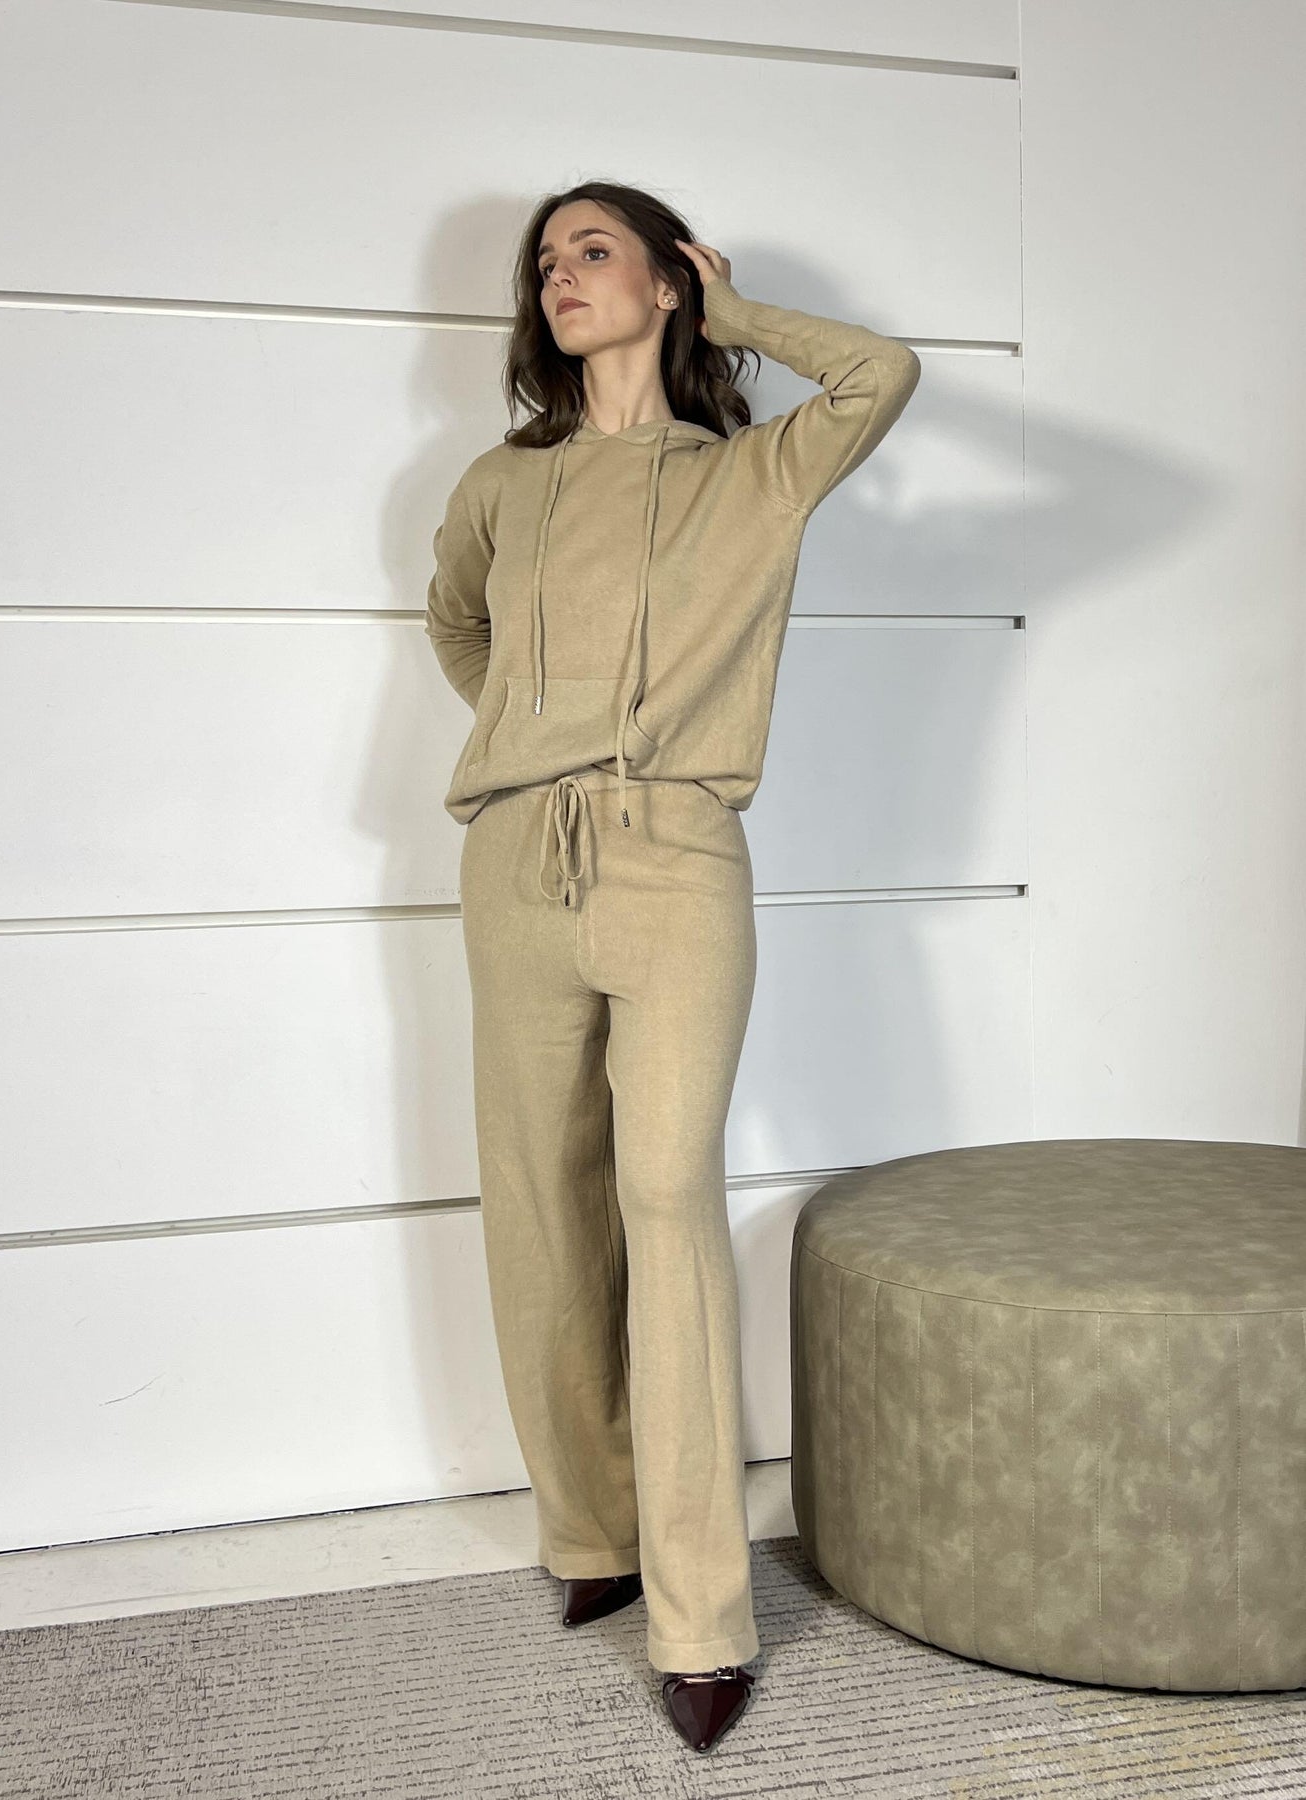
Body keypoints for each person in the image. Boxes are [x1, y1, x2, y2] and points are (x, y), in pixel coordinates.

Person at [425, 179, 921, 1755]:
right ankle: (592, 1529)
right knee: (542, 1201)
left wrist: (743, 310)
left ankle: (701, 1613)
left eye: (594, 250)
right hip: (517, 857)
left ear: (665, 284)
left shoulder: (754, 474)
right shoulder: (500, 485)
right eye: (543, 262)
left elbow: (883, 374)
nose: (559, 276)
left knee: (662, 1192)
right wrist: (531, 734)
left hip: (677, 853)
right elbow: (457, 630)